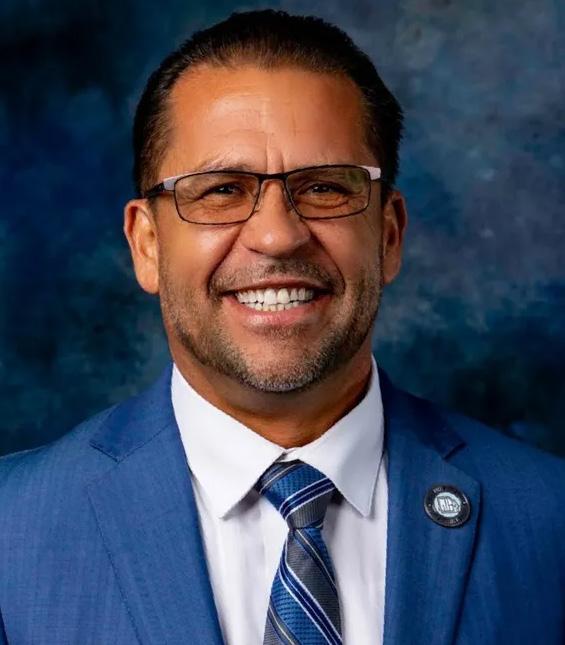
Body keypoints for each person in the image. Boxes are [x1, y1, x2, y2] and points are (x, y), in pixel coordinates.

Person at [0, 9, 564, 645]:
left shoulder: (548, 518)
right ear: (147, 245)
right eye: (221, 190)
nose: (276, 236)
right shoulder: (10, 531)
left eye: (325, 188)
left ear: (389, 235)